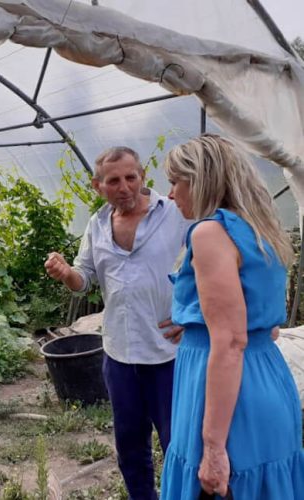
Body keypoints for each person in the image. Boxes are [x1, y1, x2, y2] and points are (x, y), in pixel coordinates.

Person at [160, 134, 304, 499]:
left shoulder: (211, 233)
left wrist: (212, 446)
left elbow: (231, 341)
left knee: (218, 482)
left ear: (202, 179)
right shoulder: (259, 232)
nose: (171, 194)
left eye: (176, 182)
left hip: (229, 391)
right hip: (265, 376)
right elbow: (264, 328)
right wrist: (196, 324)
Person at [44, 146, 190, 500]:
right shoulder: (96, 225)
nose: (124, 187)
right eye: (113, 181)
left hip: (169, 355)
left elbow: (210, 258)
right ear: (98, 186)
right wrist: (67, 274)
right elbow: (85, 279)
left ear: (142, 177)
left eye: (131, 177)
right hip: (120, 356)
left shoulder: (175, 213)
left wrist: (194, 314)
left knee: (179, 447)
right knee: (130, 447)